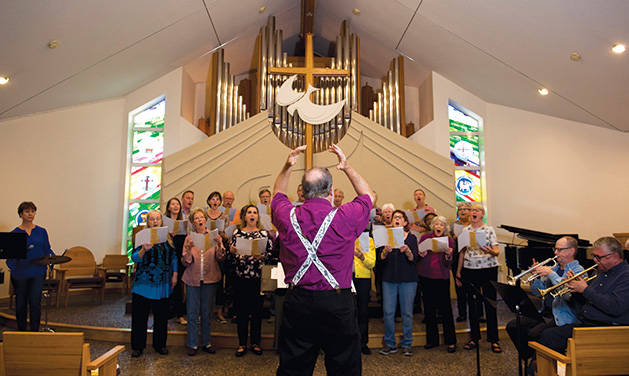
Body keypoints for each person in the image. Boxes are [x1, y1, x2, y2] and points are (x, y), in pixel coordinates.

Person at [272, 144, 375, 376]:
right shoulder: (346, 215)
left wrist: (287, 167)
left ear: (303, 192)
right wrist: (346, 166)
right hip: (337, 303)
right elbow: (369, 196)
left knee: (293, 368)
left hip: (298, 300)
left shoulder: (288, 216)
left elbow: (277, 195)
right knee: (344, 367)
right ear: (331, 192)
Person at [536, 236, 629, 354]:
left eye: (599, 257)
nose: (595, 260)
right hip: (586, 323)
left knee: (549, 336)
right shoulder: (601, 272)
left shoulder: (625, 275)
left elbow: (615, 307)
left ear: (615, 257)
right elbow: (587, 300)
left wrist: (585, 289)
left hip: (606, 328)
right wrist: (574, 288)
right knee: (547, 335)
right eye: (594, 256)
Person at [506, 236, 584, 362]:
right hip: (547, 311)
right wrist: (535, 277)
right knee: (514, 326)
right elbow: (538, 293)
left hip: (562, 316)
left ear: (571, 251)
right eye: (555, 249)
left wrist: (551, 275)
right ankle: (531, 359)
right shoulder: (555, 268)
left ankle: (538, 364)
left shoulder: (578, 270)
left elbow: (568, 295)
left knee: (534, 334)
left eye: (559, 250)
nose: (555, 253)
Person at [228, 204, 274, 357]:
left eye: (254, 212)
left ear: (257, 217)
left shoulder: (263, 234)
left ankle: (255, 342)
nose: (252, 215)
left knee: (256, 312)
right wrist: (232, 251)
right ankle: (242, 343)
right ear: (245, 216)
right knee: (241, 312)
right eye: (249, 212)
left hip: (257, 278)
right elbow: (230, 256)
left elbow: (269, 253)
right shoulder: (237, 233)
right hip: (240, 278)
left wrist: (262, 256)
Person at [456, 203, 502, 353]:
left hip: (488, 269)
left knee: (490, 303)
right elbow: (462, 252)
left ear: (482, 214)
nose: (474, 212)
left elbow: (497, 251)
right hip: (470, 270)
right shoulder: (465, 230)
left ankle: (494, 340)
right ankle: (474, 338)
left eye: (477, 210)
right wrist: (458, 272)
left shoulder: (489, 230)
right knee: (473, 304)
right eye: (472, 210)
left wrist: (491, 251)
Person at [131, 210, 178, 357]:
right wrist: (143, 250)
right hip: (143, 284)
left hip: (163, 283)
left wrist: (175, 274)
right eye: (152, 219)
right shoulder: (142, 236)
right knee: (140, 317)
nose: (155, 221)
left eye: (157, 219)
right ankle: (138, 347)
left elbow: (174, 257)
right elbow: (134, 258)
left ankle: (160, 345)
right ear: (148, 221)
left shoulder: (167, 238)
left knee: (161, 317)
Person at [181, 208, 225, 356]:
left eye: (201, 217)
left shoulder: (214, 236)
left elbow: (220, 257)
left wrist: (219, 244)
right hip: (192, 278)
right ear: (193, 222)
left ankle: (207, 342)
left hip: (210, 278)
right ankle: (192, 344)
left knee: (206, 312)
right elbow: (186, 262)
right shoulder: (189, 238)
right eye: (196, 218)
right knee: (192, 312)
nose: (199, 220)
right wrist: (187, 250)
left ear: (205, 220)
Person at [7, 201, 55, 332]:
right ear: (21, 214)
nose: (30, 214)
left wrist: (53, 258)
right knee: (21, 303)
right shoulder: (14, 233)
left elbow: (47, 249)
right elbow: (9, 257)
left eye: (32, 211)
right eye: (27, 211)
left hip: (38, 272)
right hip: (20, 273)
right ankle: (22, 331)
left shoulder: (41, 231)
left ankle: (35, 331)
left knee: (35, 301)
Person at [379, 210, 419, 357]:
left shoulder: (412, 238)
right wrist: (385, 251)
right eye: (395, 217)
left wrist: (408, 251)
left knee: (406, 313)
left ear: (405, 222)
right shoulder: (386, 237)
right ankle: (390, 343)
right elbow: (381, 260)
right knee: (388, 312)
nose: (397, 219)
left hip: (408, 279)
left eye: (400, 217)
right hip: (389, 279)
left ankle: (407, 343)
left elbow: (414, 259)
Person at [417, 215, 457, 353]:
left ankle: (451, 341)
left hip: (441, 277)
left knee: (445, 310)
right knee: (429, 309)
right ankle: (432, 340)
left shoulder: (449, 241)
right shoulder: (425, 238)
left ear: (445, 228)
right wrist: (420, 254)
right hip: (426, 276)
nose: (439, 226)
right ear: (432, 226)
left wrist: (448, 255)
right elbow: (419, 257)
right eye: (436, 224)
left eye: (442, 225)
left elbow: (449, 263)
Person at [164, 197, 187, 325]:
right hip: (166, 258)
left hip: (178, 257)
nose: (175, 206)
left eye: (177, 204)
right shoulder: (163, 221)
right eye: (173, 204)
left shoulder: (182, 222)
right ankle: (167, 311)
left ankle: (179, 314)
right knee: (167, 284)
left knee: (178, 285)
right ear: (168, 207)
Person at [353, 231, 376, 355]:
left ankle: (362, 343)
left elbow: (372, 263)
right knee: (346, 312)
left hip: (362, 278)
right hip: (345, 277)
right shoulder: (342, 235)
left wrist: (361, 257)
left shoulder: (367, 240)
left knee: (362, 311)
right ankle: (347, 343)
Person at [451, 202, 472, 322]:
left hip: (471, 257)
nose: (462, 211)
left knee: (473, 288)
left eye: (465, 209)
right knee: (460, 288)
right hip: (457, 257)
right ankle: (462, 313)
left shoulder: (473, 225)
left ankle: (478, 313)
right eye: (460, 209)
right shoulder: (453, 225)